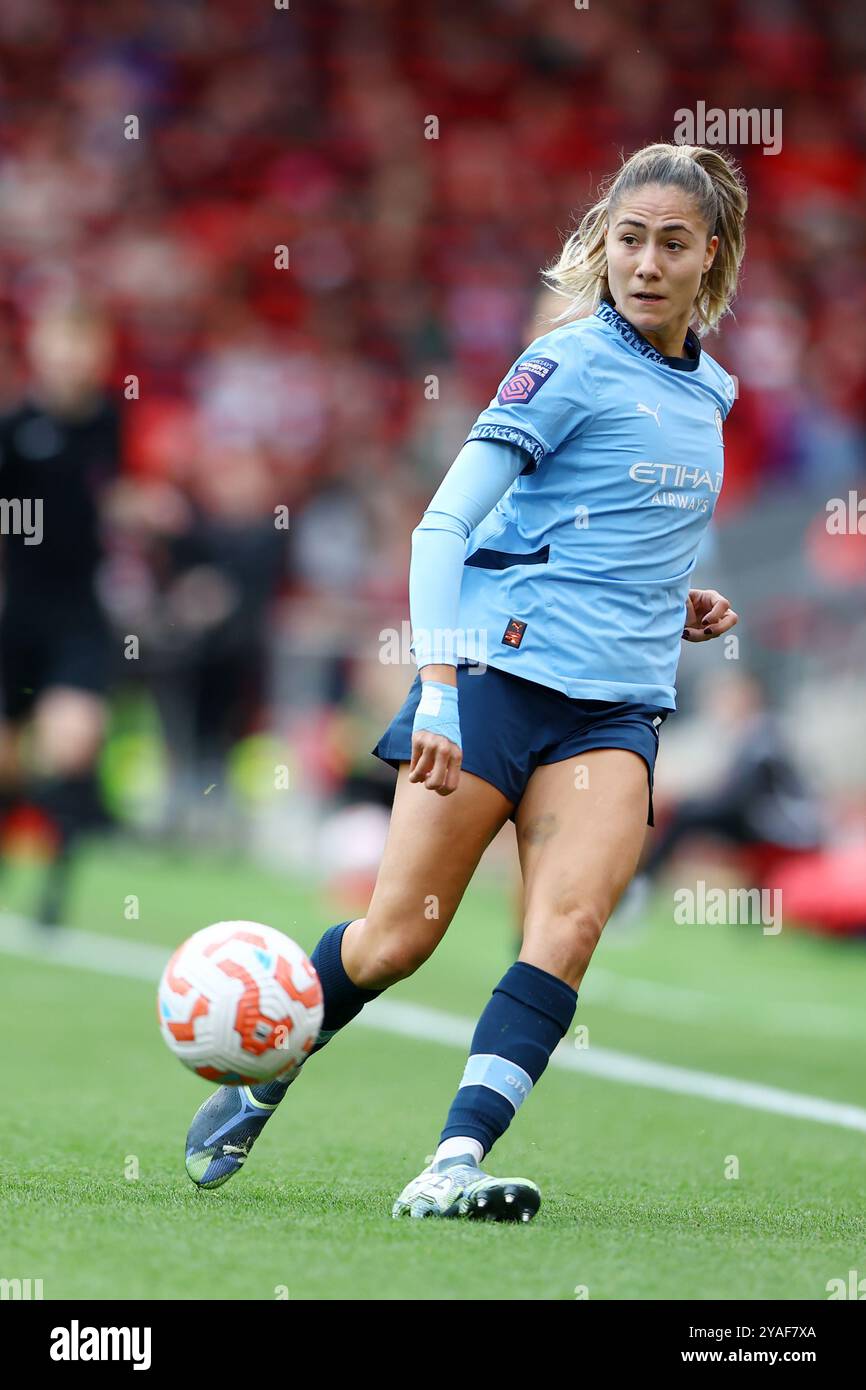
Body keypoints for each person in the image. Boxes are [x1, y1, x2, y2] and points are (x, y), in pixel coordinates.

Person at [183, 142, 745, 1222]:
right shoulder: (567, 363)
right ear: (601, 245)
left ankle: (451, 1161)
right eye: (627, 238)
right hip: (492, 678)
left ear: (707, 257)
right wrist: (435, 686)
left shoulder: (711, 392)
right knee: (398, 936)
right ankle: (271, 1064)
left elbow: (604, 533)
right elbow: (443, 526)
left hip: (615, 707)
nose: (644, 261)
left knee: (567, 927)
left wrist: (671, 602)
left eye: (671, 242)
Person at [0, 302, 119, 924]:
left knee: (73, 743)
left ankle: (53, 897)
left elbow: (111, 495)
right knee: (6, 759)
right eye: (62, 343)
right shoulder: (15, 426)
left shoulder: (108, 423)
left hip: (77, 612)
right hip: (16, 610)